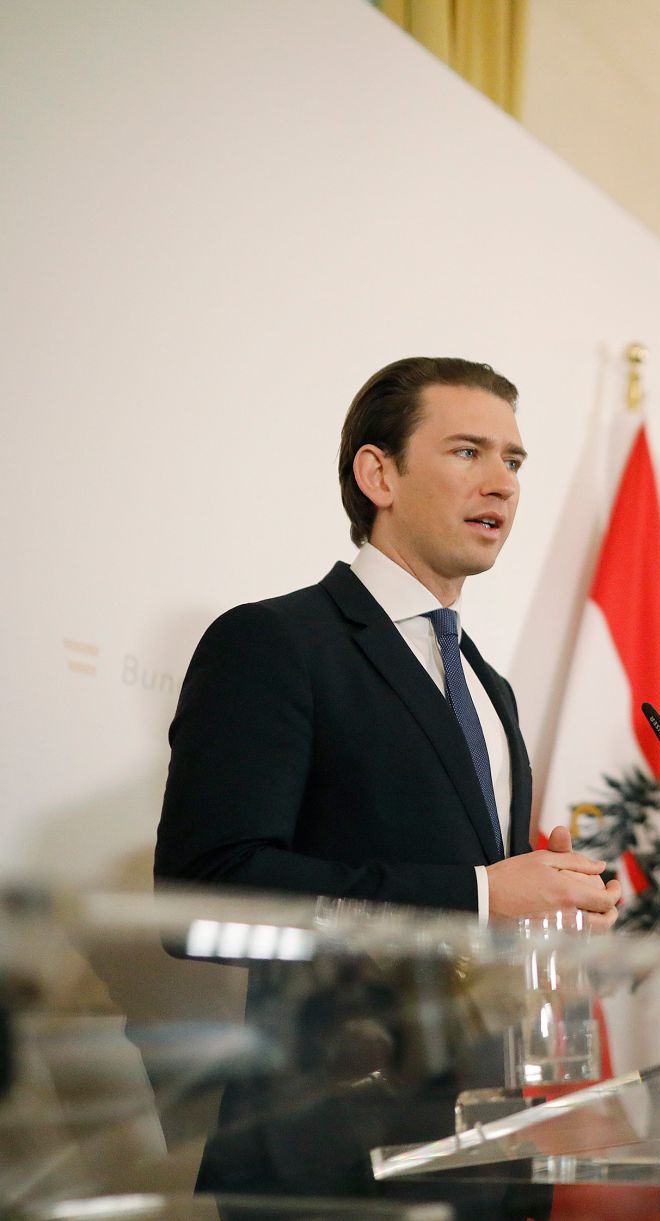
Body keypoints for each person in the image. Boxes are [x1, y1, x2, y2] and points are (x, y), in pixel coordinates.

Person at [154, 356, 621, 1213]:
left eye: (514, 461)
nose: (502, 484)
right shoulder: (275, 642)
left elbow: (477, 919)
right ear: (379, 474)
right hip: (328, 1158)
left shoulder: (490, 686)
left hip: (486, 1151)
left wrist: (547, 903)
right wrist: (479, 893)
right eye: (468, 451)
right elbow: (203, 892)